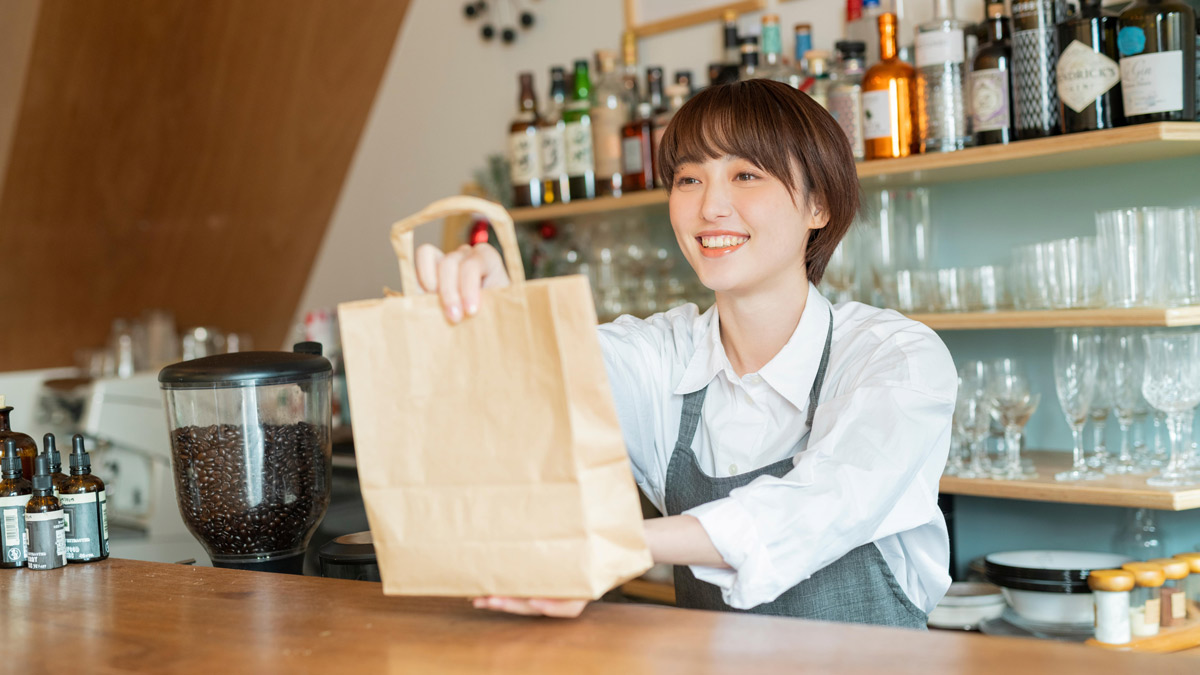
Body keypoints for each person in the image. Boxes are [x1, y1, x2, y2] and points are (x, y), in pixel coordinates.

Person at [416, 79, 956, 627]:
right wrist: (494, 310)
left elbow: (825, 503)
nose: (709, 206)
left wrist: (612, 544)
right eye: (688, 179)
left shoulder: (895, 358)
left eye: (745, 175)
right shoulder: (661, 355)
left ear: (819, 204)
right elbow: (543, 375)